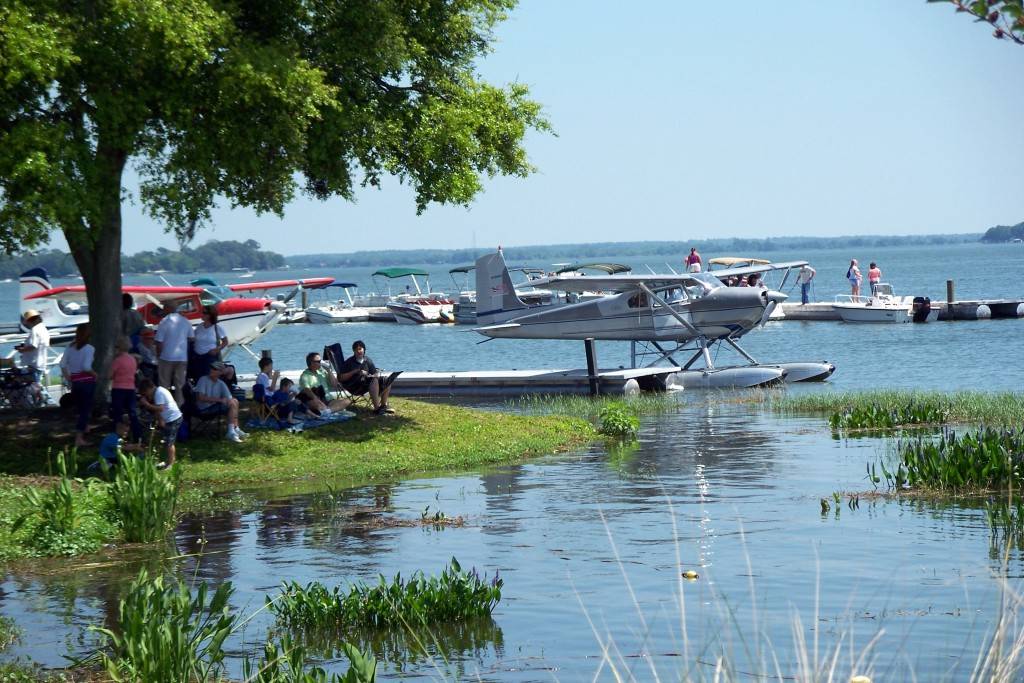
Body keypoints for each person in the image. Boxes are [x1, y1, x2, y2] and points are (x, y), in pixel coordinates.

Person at [338, 340, 400, 415]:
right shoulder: (349, 362)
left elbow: (375, 373)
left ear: (364, 350)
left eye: (360, 349)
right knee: (373, 380)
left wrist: (370, 375)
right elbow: (340, 378)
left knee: (386, 380)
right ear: (353, 351)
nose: (359, 351)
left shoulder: (367, 360)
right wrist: (355, 371)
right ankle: (377, 409)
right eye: (356, 349)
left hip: (367, 384)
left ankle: (383, 405)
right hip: (354, 386)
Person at [60, 323, 97, 448]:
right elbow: (86, 367)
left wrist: (69, 378)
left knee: (81, 408)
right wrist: (95, 374)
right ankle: (79, 438)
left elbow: (63, 364)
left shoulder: (70, 347)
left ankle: (85, 427)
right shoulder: (89, 348)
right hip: (87, 382)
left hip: (75, 382)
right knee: (85, 409)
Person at [194, 361, 248, 443]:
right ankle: (231, 432)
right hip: (204, 408)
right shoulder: (203, 379)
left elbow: (229, 398)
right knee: (232, 403)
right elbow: (200, 397)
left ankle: (235, 428)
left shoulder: (221, 383)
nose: (211, 370)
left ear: (220, 372)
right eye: (211, 368)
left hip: (214, 407)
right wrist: (220, 400)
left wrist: (227, 400)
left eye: (215, 369)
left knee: (235, 401)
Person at [155, 301, 194, 405]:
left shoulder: (164, 321)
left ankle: (164, 407)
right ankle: (180, 408)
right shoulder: (185, 321)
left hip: (166, 356)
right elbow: (191, 337)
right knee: (180, 385)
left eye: (164, 308)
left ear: (167, 309)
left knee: (164, 385)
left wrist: (158, 355)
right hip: (181, 357)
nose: (163, 310)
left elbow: (159, 341)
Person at [138, 378, 182, 467]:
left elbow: (160, 408)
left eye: (145, 393)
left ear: (148, 389)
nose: (146, 395)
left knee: (169, 442)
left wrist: (146, 404)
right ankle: (166, 461)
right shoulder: (158, 392)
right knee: (165, 441)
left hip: (173, 419)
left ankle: (171, 464)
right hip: (168, 419)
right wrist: (160, 420)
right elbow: (158, 411)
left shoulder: (159, 393)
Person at [108, 335, 142, 442]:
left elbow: (110, 375)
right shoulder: (133, 360)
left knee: (117, 413)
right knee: (132, 413)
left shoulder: (117, 361)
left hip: (118, 388)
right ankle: (137, 435)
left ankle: (117, 436)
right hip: (130, 388)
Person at [16, 309, 50, 402]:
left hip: (34, 363)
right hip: (41, 362)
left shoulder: (35, 330)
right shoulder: (43, 328)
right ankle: (40, 402)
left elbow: (33, 346)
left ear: (30, 320)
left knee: (36, 385)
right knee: (36, 385)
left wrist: (22, 350)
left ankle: (48, 401)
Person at [191, 306, 227, 379]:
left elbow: (225, 342)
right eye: (202, 312)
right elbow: (193, 339)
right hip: (197, 357)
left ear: (210, 315)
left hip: (209, 358)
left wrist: (216, 349)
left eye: (204, 313)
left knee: (208, 378)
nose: (202, 314)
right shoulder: (199, 327)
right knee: (198, 378)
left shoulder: (217, 328)